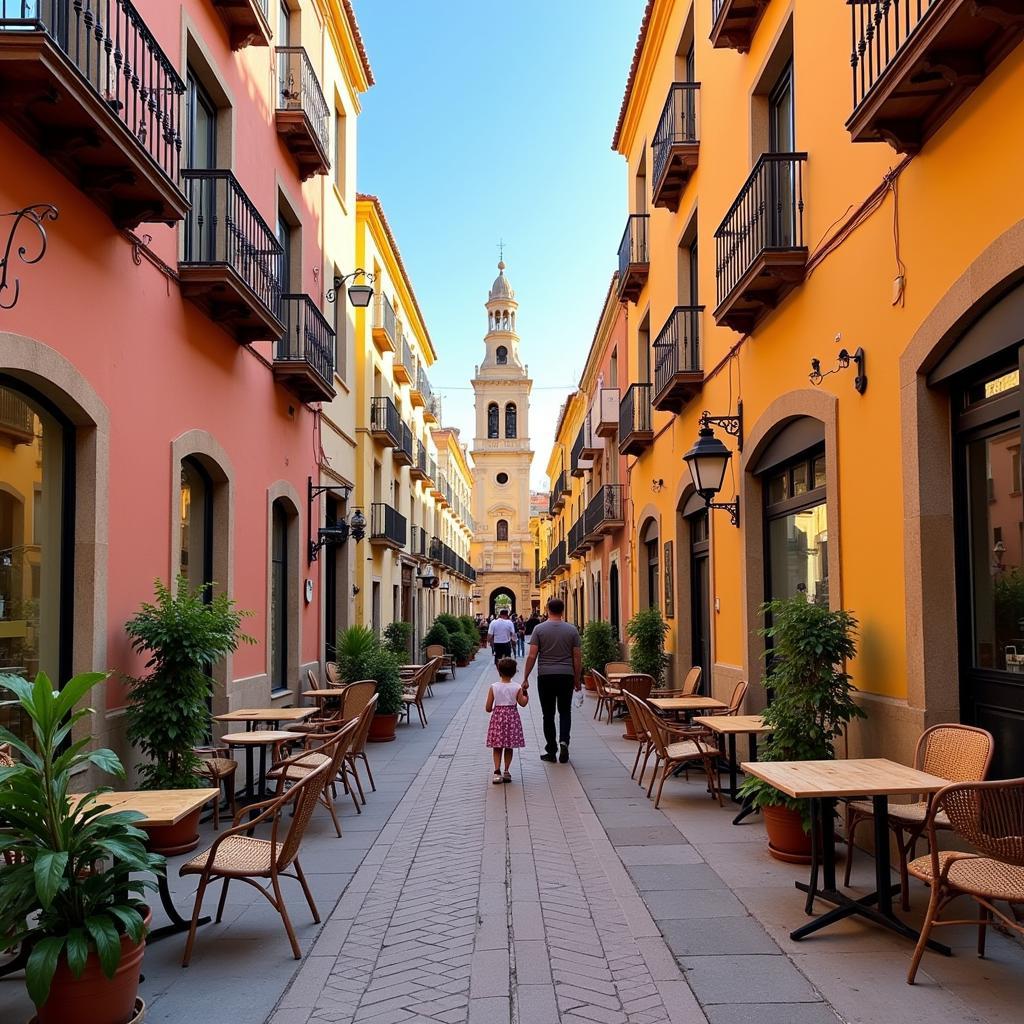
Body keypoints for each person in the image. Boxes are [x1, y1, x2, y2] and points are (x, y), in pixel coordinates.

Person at [523, 597, 581, 763]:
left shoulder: (539, 629)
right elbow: (577, 658)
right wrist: (577, 679)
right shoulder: (572, 630)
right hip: (566, 676)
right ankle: (564, 741)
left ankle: (551, 749)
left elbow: (532, 655)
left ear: (548, 609)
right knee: (565, 711)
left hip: (545, 676)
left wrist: (525, 677)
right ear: (563, 610)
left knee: (547, 714)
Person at [484, 656, 528, 783]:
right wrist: (525, 693)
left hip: (498, 718)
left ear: (499, 671)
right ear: (514, 672)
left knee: (497, 746)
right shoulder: (517, 687)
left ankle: (497, 772)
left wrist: (493, 710)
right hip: (512, 719)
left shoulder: (494, 687)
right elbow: (523, 703)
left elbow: (488, 707)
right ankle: (507, 772)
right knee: (509, 746)